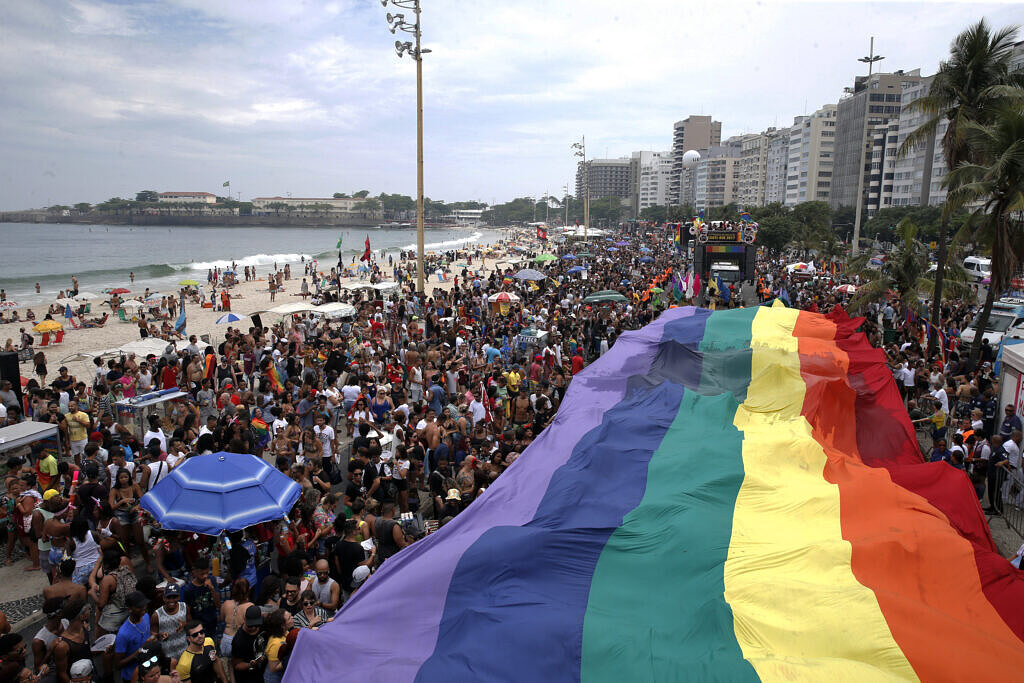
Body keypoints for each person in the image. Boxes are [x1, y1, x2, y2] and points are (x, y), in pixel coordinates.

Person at [115, 591, 155, 683]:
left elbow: (147, 635)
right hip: (132, 677)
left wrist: (157, 635)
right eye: (139, 606)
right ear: (129, 609)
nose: (143, 608)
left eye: (144, 604)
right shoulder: (123, 634)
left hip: (148, 672)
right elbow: (118, 665)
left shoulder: (146, 616)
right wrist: (139, 651)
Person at [181, 558, 220, 638]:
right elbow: (188, 612)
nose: (205, 576)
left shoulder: (211, 580)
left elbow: (218, 604)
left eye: (207, 573)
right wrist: (192, 629)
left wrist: (212, 589)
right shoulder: (189, 590)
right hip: (199, 627)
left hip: (212, 624)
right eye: (202, 574)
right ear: (194, 573)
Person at [229, 606, 266, 683]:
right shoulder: (239, 640)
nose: (253, 628)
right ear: (245, 619)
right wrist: (251, 664)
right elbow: (236, 665)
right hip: (247, 678)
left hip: (262, 673)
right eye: (250, 625)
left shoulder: (263, 622)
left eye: (256, 625)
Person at [152, 583, 188, 662]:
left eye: (174, 597)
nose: (171, 600)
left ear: (179, 597)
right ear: (164, 598)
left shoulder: (184, 607)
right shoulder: (156, 615)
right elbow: (152, 635)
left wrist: (185, 625)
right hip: (168, 656)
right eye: (169, 597)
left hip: (185, 652)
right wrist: (159, 635)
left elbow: (192, 625)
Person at [261, 609, 292, 683]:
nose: (292, 618)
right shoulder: (276, 644)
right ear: (282, 626)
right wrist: (288, 660)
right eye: (289, 618)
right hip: (273, 678)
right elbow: (273, 668)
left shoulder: (286, 632)